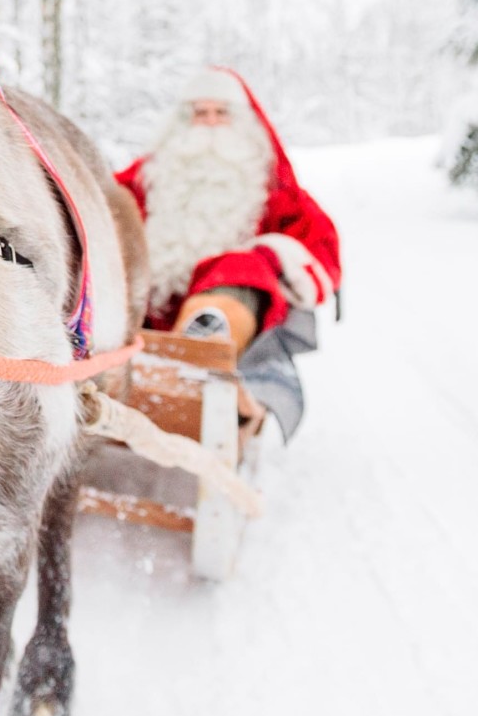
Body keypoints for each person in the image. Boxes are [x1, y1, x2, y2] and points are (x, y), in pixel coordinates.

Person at [114, 67, 340, 438]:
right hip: (146, 316)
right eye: (199, 114)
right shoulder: (148, 177)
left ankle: (205, 341)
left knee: (240, 266)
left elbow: (320, 243)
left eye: (221, 114)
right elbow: (99, 207)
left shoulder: (269, 185)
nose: (209, 125)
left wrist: (273, 255)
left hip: (236, 320)